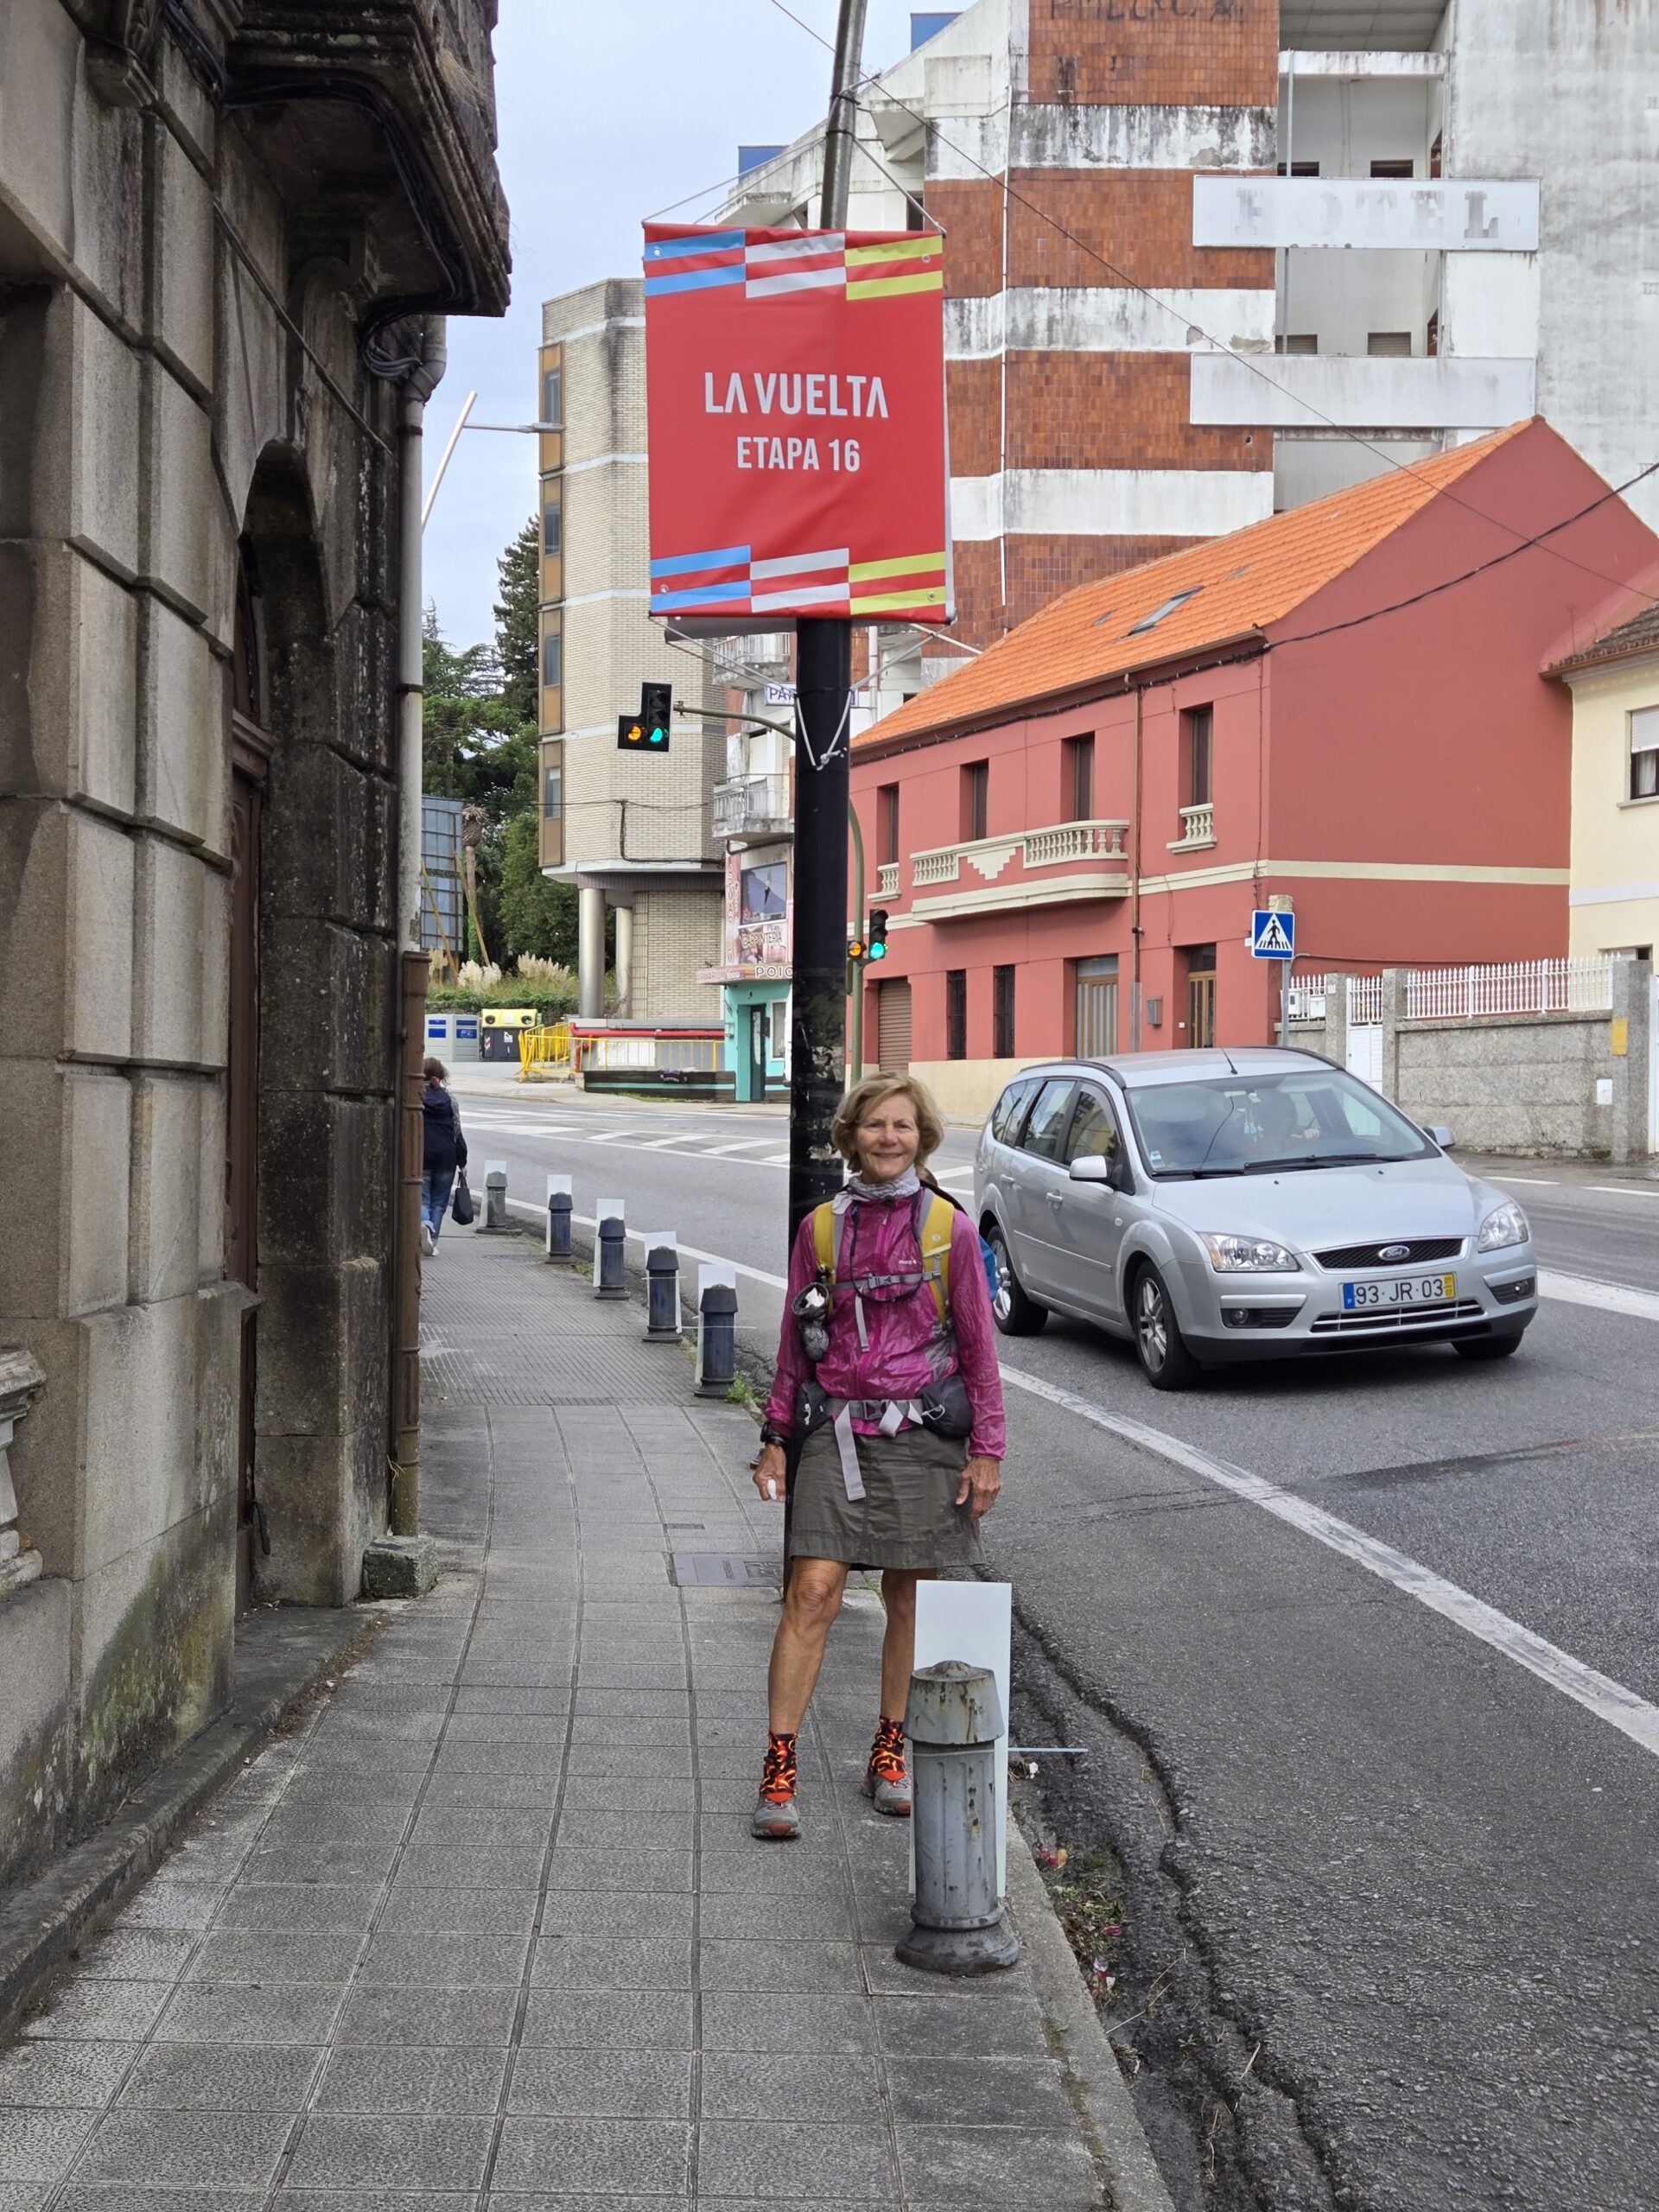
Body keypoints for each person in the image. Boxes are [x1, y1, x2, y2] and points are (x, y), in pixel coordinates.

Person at [749, 1072, 1005, 1840]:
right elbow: (795, 1342)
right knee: (811, 1591)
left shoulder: (949, 1229)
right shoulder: (821, 1231)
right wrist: (775, 1438)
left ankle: (888, 1751)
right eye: (874, 1125)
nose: (888, 1138)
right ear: (851, 1136)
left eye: (902, 1126)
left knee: (910, 1598)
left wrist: (987, 1451)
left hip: (924, 1438)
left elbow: (978, 1350)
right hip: (836, 1433)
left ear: (921, 1138)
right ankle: (779, 1765)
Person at [420, 1057, 467, 1255]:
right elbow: (457, 1131)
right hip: (447, 1156)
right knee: (439, 1203)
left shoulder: (416, 1096)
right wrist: (462, 1160)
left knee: (422, 1200)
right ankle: (433, 1240)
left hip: (421, 1155)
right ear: (441, 1075)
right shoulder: (450, 1099)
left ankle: (424, 1225)